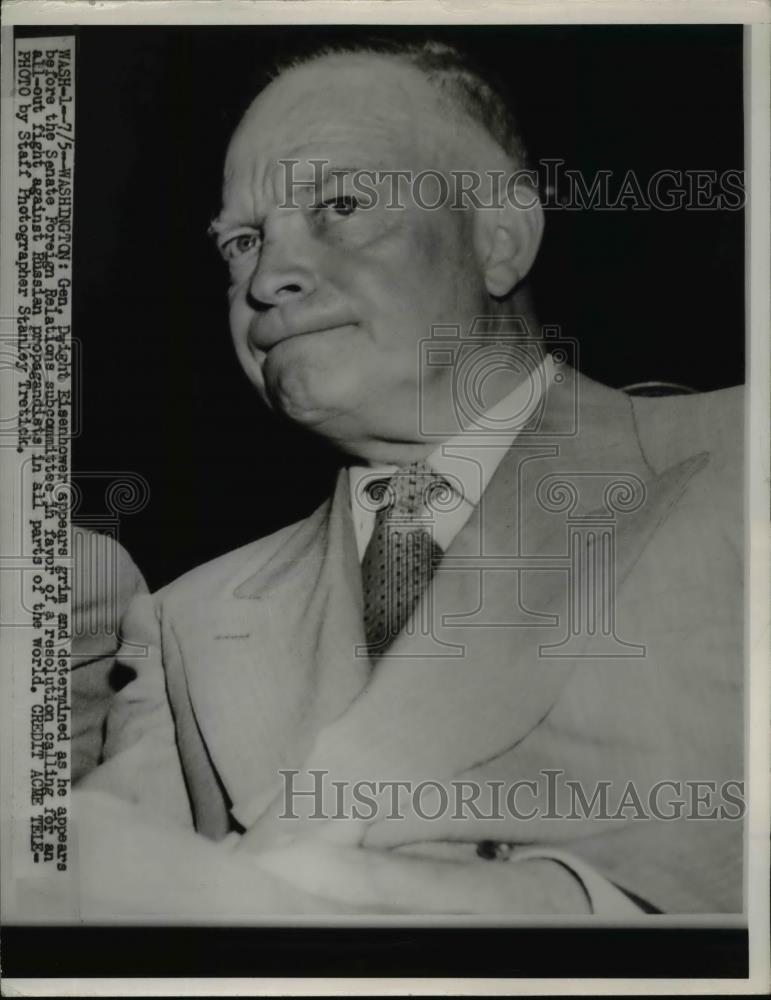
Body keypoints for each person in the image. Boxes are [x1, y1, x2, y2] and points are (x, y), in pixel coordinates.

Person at [82, 40, 743, 916]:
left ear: (500, 237)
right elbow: (95, 906)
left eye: (341, 204)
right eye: (243, 241)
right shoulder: (185, 621)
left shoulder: (738, 461)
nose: (268, 278)